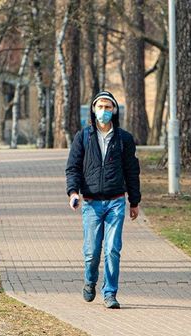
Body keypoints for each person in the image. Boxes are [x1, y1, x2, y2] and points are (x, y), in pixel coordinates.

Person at [66, 91, 141, 309]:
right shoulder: (83, 137)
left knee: (112, 249)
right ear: (93, 109)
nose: (104, 111)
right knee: (91, 252)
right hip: (91, 203)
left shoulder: (124, 139)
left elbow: (132, 171)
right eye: (100, 107)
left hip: (116, 202)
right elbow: (73, 168)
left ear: (114, 110)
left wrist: (134, 201)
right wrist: (73, 192)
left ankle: (110, 293)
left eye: (108, 107)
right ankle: (90, 281)